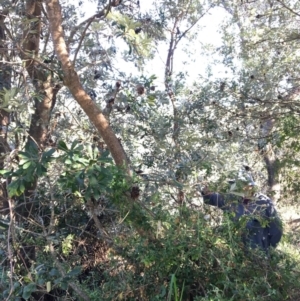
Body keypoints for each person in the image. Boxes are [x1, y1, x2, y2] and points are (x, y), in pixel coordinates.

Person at [201, 174, 282, 253]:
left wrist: (268, 250)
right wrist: (206, 190)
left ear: (251, 186)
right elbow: (210, 197)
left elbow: (276, 230)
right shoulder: (230, 199)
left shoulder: (264, 202)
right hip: (234, 252)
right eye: (237, 186)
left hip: (258, 254)